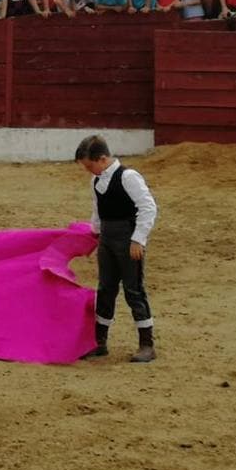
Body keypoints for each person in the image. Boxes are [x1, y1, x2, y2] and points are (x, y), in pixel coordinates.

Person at [75, 134, 157, 363]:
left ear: (102, 159)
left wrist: (138, 239)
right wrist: (95, 234)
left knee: (134, 290)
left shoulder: (128, 177)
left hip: (128, 240)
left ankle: (147, 345)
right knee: (105, 289)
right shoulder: (96, 181)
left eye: (90, 165)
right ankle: (99, 343)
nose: (88, 171)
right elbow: (98, 211)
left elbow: (148, 207)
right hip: (107, 239)